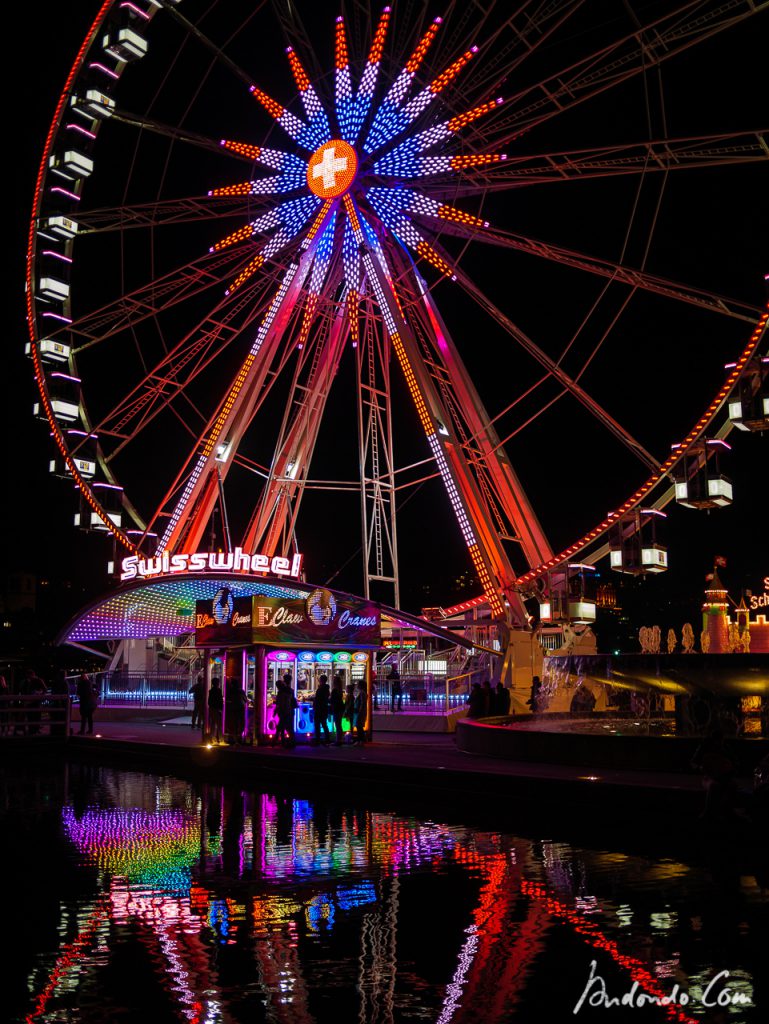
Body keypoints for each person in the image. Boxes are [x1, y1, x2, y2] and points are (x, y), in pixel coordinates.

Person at [276, 673, 297, 747]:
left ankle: (282, 740)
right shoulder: (291, 690)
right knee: (288, 726)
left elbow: (279, 701)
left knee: (283, 726)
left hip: (284, 710)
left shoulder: (283, 691)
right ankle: (290, 740)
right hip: (290, 710)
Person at [49, 669, 70, 737]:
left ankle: (55, 731)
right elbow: (65, 692)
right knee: (61, 717)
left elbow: (53, 692)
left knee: (56, 717)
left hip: (57, 702)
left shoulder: (56, 681)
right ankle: (61, 731)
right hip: (62, 703)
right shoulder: (64, 682)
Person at [313, 674, 332, 745]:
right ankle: (327, 738)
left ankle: (318, 738)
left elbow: (318, 698)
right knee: (324, 724)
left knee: (317, 724)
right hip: (324, 708)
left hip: (319, 709)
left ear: (321, 680)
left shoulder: (321, 688)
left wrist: (314, 703)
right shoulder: (326, 689)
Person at [330, 674, 345, 746]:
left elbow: (332, 700)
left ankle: (338, 740)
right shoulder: (340, 690)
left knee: (337, 725)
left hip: (336, 709)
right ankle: (340, 739)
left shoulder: (334, 690)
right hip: (340, 708)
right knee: (339, 725)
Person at [208, 678, 224, 743]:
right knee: (219, 725)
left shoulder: (211, 691)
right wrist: (221, 708)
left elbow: (209, 701)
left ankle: (212, 738)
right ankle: (220, 739)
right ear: (217, 683)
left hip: (212, 709)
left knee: (213, 724)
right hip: (217, 709)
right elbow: (220, 700)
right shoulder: (218, 690)